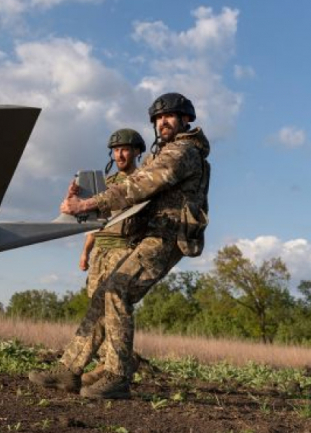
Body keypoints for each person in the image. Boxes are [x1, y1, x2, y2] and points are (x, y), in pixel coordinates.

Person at [29, 92, 211, 399]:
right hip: (150, 234)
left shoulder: (182, 152)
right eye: (157, 118)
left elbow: (137, 187)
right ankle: (69, 371)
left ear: (186, 119)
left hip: (167, 236)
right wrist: (85, 201)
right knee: (106, 294)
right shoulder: (163, 152)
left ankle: (117, 375)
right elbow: (125, 191)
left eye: (169, 116)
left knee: (117, 290)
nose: (162, 122)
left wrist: (86, 203)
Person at [77, 128, 145, 387]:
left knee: (113, 305)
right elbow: (94, 223)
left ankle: (112, 366)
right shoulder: (106, 184)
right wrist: (85, 252)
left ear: (137, 151)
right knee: (96, 307)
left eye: (125, 149)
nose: (120, 154)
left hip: (123, 247)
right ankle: (107, 362)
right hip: (100, 251)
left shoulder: (141, 182)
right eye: (116, 150)